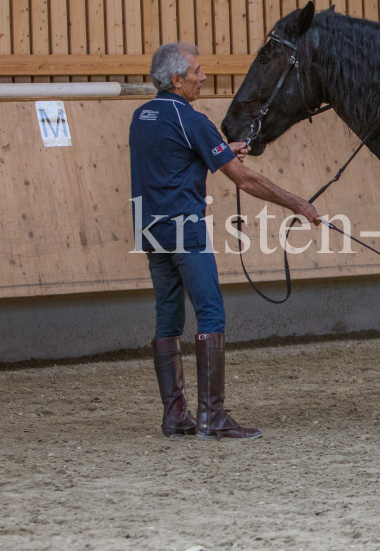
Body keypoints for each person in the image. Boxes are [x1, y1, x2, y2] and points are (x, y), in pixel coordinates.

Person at [129, 42, 321, 440]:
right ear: (177, 79)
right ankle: (212, 416)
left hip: (150, 231)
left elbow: (172, 159)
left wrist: (217, 151)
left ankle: (175, 415)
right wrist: (296, 203)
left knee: (168, 320)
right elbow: (245, 180)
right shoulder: (191, 119)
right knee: (211, 315)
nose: (203, 77)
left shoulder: (141, 116)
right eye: (197, 72)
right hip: (186, 230)